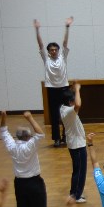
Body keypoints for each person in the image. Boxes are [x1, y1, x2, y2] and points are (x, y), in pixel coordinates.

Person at [0, 110, 47, 207]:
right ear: (28, 137)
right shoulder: (30, 146)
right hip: (34, 182)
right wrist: (30, 118)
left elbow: (3, 131)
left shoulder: (12, 146)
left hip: (19, 183)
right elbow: (40, 134)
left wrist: (3, 117)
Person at [34, 16, 73, 147]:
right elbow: (40, 44)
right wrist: (37, 30)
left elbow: (65, 43)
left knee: (66, 115)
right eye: (51, 50)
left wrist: (67, 28)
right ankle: (56, 138)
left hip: (64, 89)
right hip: (52, 90)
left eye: (56, 49)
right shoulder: (46, 59)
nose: (54, 51)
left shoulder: (63, 56)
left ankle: (65, 137)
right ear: (49, 52)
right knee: (55, 116)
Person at [59, 82, 87, 203]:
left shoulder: (63, 108)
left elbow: (75, 104)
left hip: (75, 143)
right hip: (77, 145)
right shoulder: (68, 112)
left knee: (77, 169)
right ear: (70, 102)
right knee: (80, 170)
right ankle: (75, 195)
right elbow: (78, 104)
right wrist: (77, 90)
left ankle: (76, 192)